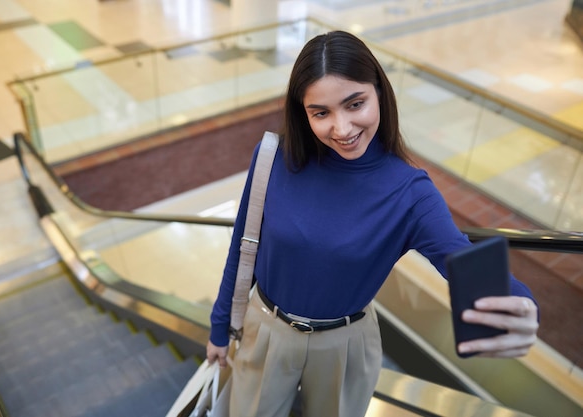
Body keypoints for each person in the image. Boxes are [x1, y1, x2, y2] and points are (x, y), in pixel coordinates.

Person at [207, 30, 539, 417]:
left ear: (379, 91)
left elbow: (459, 256)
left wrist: (523, 305)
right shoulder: (273, 158)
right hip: (266, 329)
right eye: (321, 112)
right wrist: (219, 327)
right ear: (304, 113)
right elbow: (243, 246)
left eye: (355, 104)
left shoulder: (410, 192)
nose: (342, 129)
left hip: (346, 344)